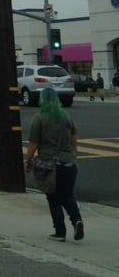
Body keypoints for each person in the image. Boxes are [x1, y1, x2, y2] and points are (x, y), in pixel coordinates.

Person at [24, 86, 83, 242]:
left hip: (50, 165)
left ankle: (60, 232)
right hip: (69, 163)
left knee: (53, 197)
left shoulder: (39, 118)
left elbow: (33, 144)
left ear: (42, 100)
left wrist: (28, 161)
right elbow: (74, 138)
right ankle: (77, 220)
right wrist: (74, 156)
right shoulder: (66, 116)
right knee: (68, 195)